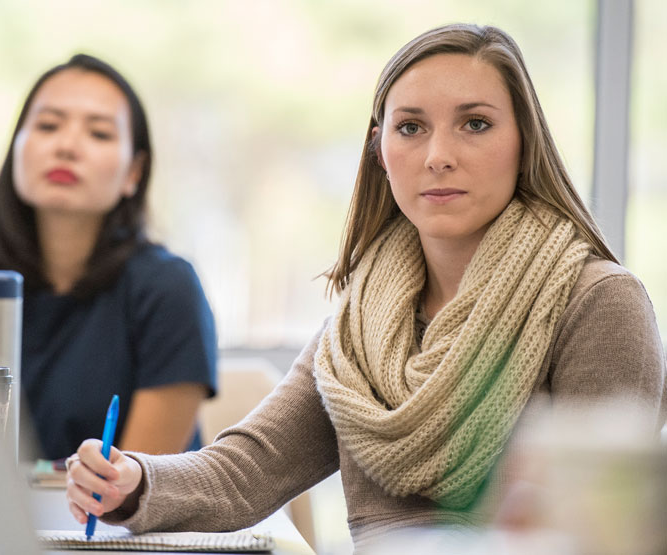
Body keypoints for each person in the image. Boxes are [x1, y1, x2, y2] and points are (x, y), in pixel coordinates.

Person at [64, 24, 666, 550]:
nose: (438, 156)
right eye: (410, 128)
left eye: (475, 124)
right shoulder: (360, 322)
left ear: (524, 143)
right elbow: (248, 469)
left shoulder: (599, 301)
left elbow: (604, 532)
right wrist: (135, 481)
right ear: (380, 151)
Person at [0, 54, 217, 461]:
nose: (67, 147)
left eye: (99, 134)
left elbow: (137, 491)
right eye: (48, 126)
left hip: (124, 523)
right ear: (16, 148)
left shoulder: (169, 289)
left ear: (134, 172)